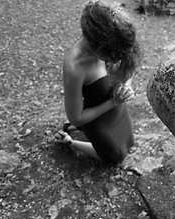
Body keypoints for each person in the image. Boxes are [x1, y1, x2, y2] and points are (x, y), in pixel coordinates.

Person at [56, 0, 141, 166]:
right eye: (111, 57)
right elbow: (76, 117)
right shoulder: (75, 67)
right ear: (97, 45)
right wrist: (113, 102)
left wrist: (126, 86)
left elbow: (129, 68)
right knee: (114, 156)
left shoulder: (117, 38)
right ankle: (70, 142)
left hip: (118, 110)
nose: (115, 60)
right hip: (98, 121)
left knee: (126, 140)